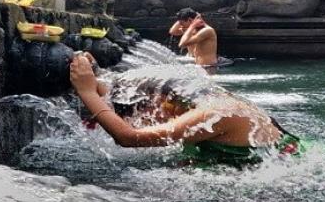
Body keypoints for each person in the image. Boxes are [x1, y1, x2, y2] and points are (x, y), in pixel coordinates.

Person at [69, 54, 301, 165]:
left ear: (165, 100)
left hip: (287, 174)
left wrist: (88, 93)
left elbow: (128, 138)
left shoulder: (214, 112)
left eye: (141, 113)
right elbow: (125, 93)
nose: (141, 120)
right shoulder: (193, 100)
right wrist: (94, 76)